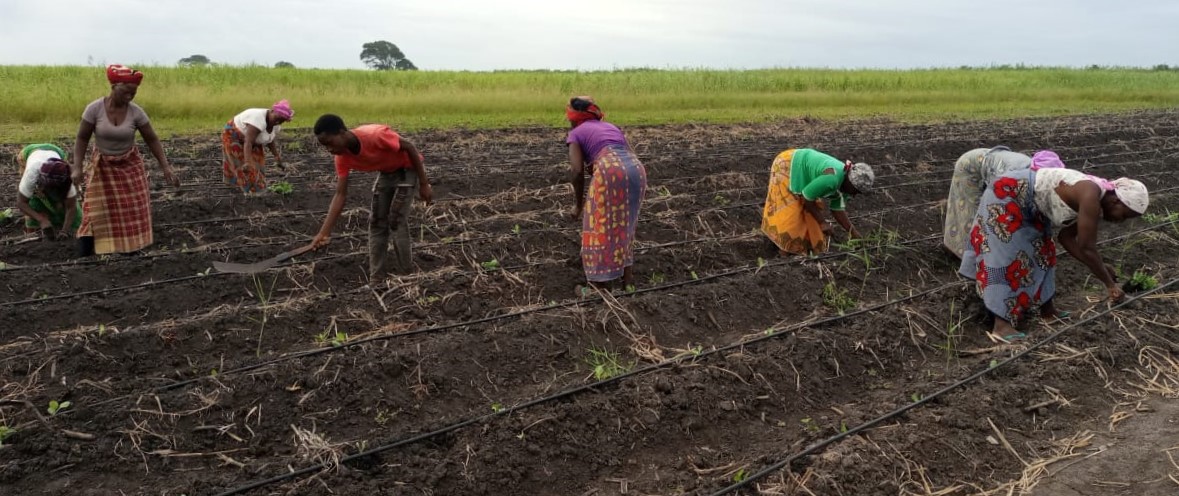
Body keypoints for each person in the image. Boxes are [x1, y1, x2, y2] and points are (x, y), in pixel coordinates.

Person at [959, 167, 1148, 336]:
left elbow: (1066, 238)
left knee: (1045, 253)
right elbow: (1087, 248)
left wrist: (1101, 267)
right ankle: (1001, 325)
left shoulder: (1096, 201)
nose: (1120, 221)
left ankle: (1048, 311)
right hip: (1009, 193)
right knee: (1007, 257)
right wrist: (1110, 284)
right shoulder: (1091, 195)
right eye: (1124, 215)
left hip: (1033, 205)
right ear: (1116, 201)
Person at [71, 64, 178, 256]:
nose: (130, 96)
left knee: (133, 209)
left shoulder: (136, 112)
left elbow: (152, 139)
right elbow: (82, 138)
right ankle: (86, 252)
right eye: (126, 92)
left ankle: (131, 250)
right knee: (94, 209)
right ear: (114, 87)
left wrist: (166, 166)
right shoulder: (94, 109)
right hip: (102, 167)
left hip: (129, 166)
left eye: (133, 93)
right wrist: (77, 167)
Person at [307, 114, 433, 278]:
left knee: (396, 220)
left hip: (407, 169)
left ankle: (407, 274)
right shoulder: (341, 158)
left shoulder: (375, 135)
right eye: (325, 146)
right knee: (376, 222)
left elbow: (409, 147)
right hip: (387, 173)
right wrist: (323, 233)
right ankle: (377, 277)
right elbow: (340, 195)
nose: (329, 149)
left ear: (342, 132)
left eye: (330, 143)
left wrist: (424, 184)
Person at [565, 96, 648, 290]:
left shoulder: (575, 133)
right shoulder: (611, 127)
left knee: (598, 224)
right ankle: (627, 282)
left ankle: (597, 286)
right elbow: (626, 153)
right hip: (636, 169)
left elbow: (576, 171)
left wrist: (578, 205)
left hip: (609, 171)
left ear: (574, 118)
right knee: (626, 224)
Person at [761, 148, 875, 256]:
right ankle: (783, 253)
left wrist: (854, 233)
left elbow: (837, 210)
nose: (854, 195)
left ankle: (798, 248)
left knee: (809, 213)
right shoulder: (831, 179)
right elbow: (807, 198)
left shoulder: (845, 184)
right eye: (855, 191)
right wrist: (822, 223)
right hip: (788, 165)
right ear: (850, 182)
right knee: (791, 213)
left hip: (802, 170)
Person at [943, 146, 1034, 258]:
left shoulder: (1033, 175)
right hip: (970, 167)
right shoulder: (1015, 176)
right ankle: (963, 256)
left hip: (988, 165)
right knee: (971, 214)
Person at [222, 100, 293, 193]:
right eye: (277, 118)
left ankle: (257, 188)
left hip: (251, 140)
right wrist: (247, 162)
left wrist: (277, 157)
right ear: (272, 111)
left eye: (281, 121)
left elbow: (270, 140)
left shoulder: (276, 125)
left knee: (258, 163)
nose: (277, 122)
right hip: (233, 135)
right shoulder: (258, 120)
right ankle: (252, 192)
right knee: (244, 166)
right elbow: (248, 142)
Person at [15, 145, 80, 239]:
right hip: (29, 151)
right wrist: (41, 220)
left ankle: (61, 223)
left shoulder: (67, 178)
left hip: (57, 150)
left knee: (61, 201)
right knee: (35, 198)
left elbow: (71, 206)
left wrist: (64, 231)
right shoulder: (32, 175)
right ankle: (31, 233)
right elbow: (21, 202)